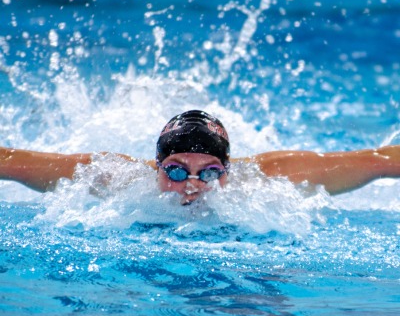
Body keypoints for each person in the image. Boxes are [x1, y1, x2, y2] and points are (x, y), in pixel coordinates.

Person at [0, 110, 399, 205]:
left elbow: (379, 161)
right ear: (156, 166)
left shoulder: (270, 179)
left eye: (209, 174)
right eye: (174, 170)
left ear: (226, 169)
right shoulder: (113, 178)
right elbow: (11, 161)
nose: (190, 185)